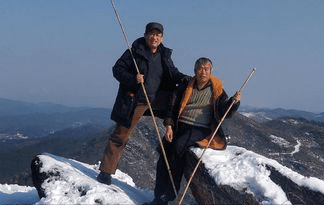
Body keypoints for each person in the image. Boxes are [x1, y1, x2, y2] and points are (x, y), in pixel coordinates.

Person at [97, 22, 189, 186]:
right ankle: (105, 171)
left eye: (158, 35)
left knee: (180, 107)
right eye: (152, 34)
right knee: (122, 134)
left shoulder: (164, 54)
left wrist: (187, 79)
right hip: (138, 98)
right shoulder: (134, 52)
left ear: (162, 38)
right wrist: (133, 79)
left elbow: (173, 73)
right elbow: (117, 69)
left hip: (158, 98)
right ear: (146, 35)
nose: (155, 38)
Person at [146, 57, 241, 205]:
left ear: (211, 71)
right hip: (180, 125)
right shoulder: (185, 86)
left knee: (178, 148)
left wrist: (234, 102)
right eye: (200, 68)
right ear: (195, 71)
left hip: (200, 128)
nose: (203, 72)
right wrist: (169, 125)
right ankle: (158, 197)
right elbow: (173, 105)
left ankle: (169, 195)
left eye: (206, 69)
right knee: (163, 155)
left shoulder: (216, 89)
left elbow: (224, 112)